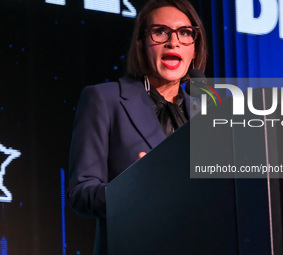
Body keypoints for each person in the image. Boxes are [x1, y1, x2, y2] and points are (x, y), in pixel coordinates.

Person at [67, 0, 207, 254]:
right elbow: (81, 192)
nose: (173, 42)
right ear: (141, 45)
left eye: (185, 33)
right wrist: (134, 188)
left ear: (195, 50)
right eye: (160, 31)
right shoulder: (104, 99)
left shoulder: (208, 116)